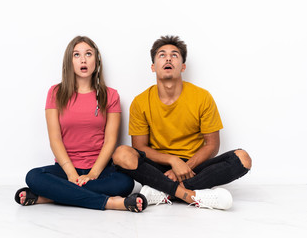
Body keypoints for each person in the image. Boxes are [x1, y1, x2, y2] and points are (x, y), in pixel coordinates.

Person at [112, 35, 252, 210]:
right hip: (158, 166)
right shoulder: (140, 102)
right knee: (121, 154)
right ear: (153, 67)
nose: (168, 58)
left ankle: (163, 190)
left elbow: (212, 145)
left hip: (195, 165)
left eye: (175, 55)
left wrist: (185, 165)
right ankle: (191, 196)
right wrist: (172, 160)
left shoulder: (202, 97)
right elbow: (140, 148)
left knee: (243, 158)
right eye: (162, 55)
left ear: (183, 66)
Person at [14, 36, 147, 212]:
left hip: (100, 169)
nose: (83, 59)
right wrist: (71, 173)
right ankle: (110, 203)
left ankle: (50, 196)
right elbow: (55, 139)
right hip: (65, 168)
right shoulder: (56, 92)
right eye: (76, 55)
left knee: (125, 183)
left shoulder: (111, 95)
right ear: (69, 61)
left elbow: (110, 141)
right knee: (33, 177)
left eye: (88, 54)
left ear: (97, 60)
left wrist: (93, 174)